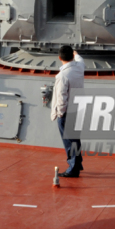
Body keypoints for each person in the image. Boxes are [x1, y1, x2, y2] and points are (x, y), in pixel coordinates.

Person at [51, 46, 85, 177]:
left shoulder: (62, 75)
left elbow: (61, 98)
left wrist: (60, 113)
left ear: (59, 58)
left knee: (69, 142)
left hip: (67, 113)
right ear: (72, 55)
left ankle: (73, 169)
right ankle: (77, 163)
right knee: (75, 139)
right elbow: (80, 59)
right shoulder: (80, 67)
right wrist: (76, 54)